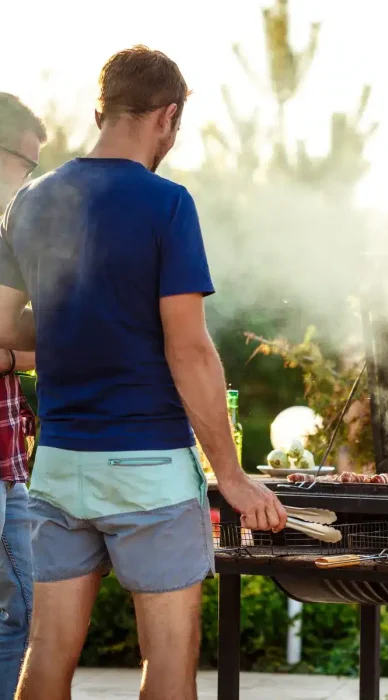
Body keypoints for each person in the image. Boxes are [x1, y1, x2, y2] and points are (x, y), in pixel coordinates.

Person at [0, 47, 288, 699]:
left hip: (61, 462)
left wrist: (83, 320)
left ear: (101, 110)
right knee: (167, 667)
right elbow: (188, 350)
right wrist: (233, 477)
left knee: (45, 657)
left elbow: (4, 327)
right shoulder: (166, 204)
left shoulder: (31, 201)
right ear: (168, 115)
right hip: (148, 471)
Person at [0, 93, 42, 700]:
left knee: (30, 613)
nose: (31, 178)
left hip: (10, 466)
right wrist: (15, 354)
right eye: (26, 162)